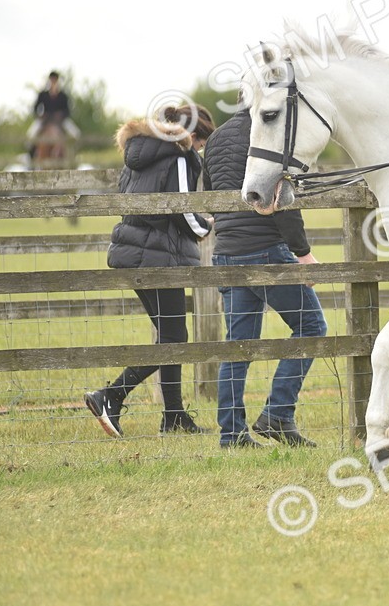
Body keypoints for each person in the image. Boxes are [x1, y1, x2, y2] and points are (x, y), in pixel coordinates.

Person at [84, 104, 215, 438]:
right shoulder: (181, 156)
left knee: (169, 335)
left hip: (131, 251)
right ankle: (111, 395)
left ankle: (173, 417)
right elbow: (181, 207)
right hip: (161, 256)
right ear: (192, 135)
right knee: (174, 338)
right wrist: (205, 227)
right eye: (201, 142)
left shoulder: (137, 153)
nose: (200, 148)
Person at [201, 100, 325, 449]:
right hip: (266, 250)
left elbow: (208, 197)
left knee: (237, 347)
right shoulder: (270, 133)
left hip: (226, 252)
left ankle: (232, 434)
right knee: (312, 326)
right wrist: (303, 254)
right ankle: (279, 414)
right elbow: (281, 197)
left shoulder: (216, 138)